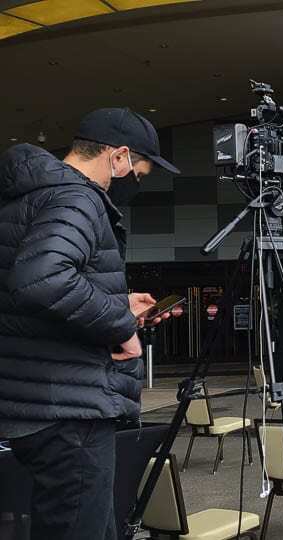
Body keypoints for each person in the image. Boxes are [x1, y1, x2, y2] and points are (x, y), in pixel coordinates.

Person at [0, 108, 179, 539]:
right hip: (69, 411)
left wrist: (117, 301)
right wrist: (119, 322)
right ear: (117, 158)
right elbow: (41, 280)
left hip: (31, 400)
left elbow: (32, 289)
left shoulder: (29, 197)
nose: (137, 181)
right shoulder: (76, 197)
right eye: (139, 171)